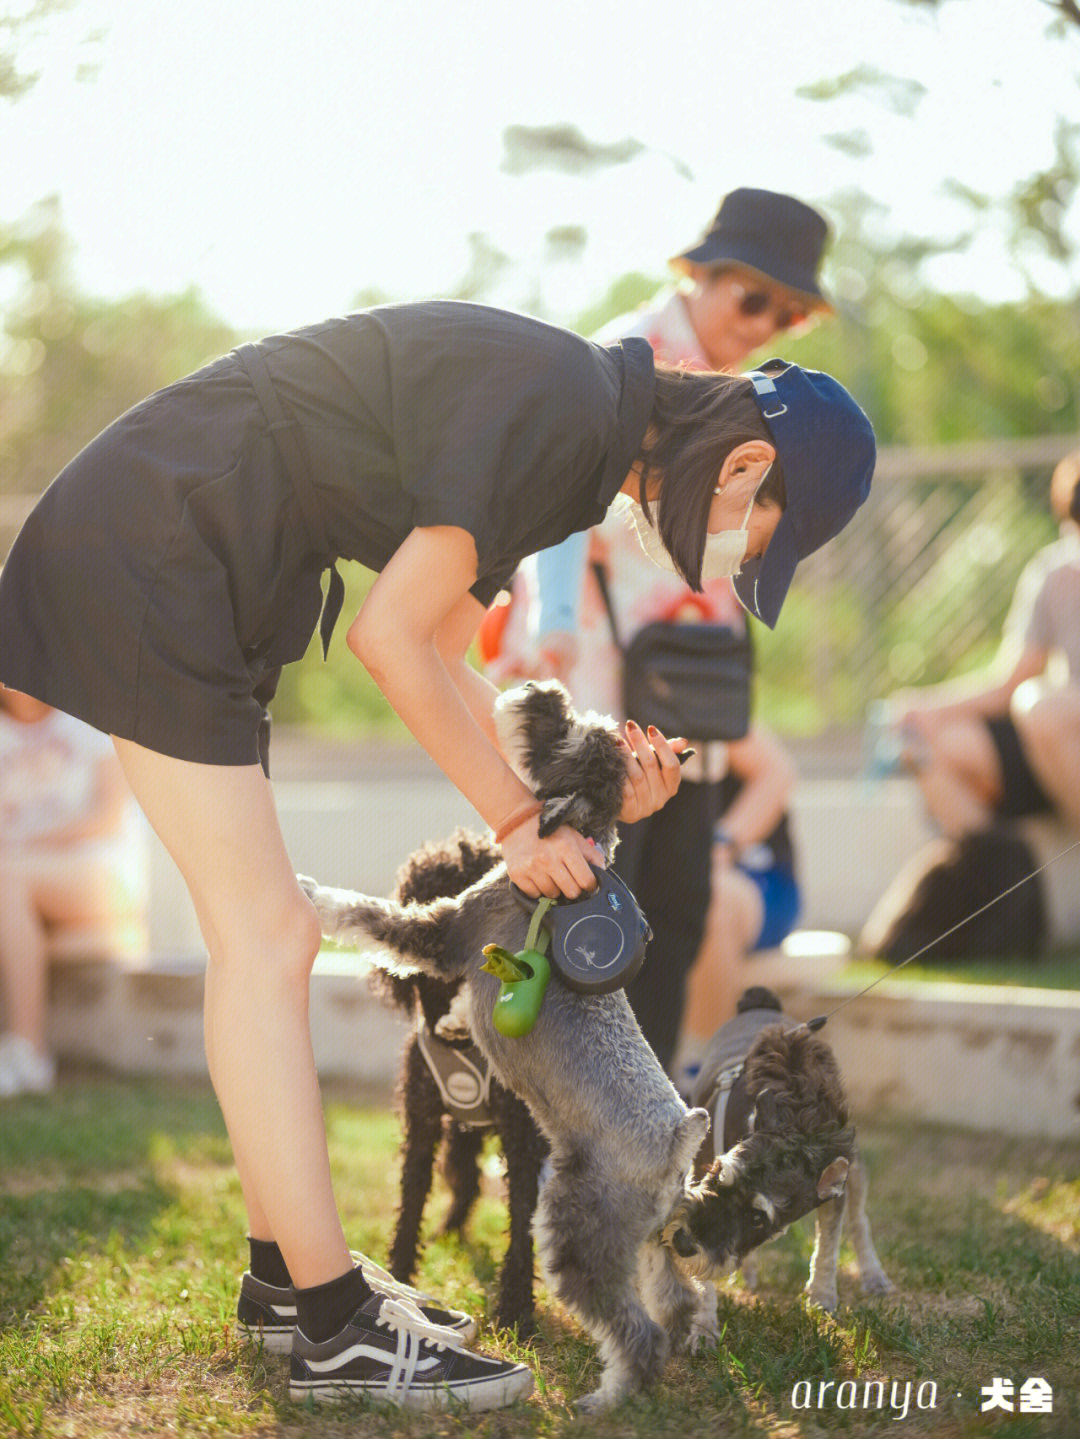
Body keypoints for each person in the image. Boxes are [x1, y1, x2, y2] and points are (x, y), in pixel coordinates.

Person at [0, 298, 874, 1410]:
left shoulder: (582, 431)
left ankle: (286, 1285)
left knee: (254, 934)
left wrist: (576, 795)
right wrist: (518, 824)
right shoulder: (565, 413)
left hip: (196, 556)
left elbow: (456, 665)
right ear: (745, 463)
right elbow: (390, 642)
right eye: (755, 535)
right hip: (160, 540)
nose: (720, 567)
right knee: (265, 933)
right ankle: (327, 1321)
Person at [497, 189, 833, 1073]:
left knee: (675, 906)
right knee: (589, 900)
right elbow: (562, 506)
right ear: (697, 273)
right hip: (603, 672)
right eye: (751, 297)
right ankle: (554, 1116)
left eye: (788, 310)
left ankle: (638, 1112)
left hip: (692, 685)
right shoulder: (629, 356)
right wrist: (558, 619)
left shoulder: (754, 393)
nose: (766, 323)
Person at [891, 448, 1080, 840]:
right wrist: (928, 709)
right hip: (1054, 749)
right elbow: (1011, 682)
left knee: (1041, 707)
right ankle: (996, 885)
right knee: (929, 745)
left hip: (1059, 725)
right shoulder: (1054, 569)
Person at [0, 687, 145, 1098]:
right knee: (11, 898)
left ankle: (27, 1049)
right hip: (24, 893)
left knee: (7, 881)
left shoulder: (89, 721)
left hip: (100, 879)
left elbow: (107, 817)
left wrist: (25, 842)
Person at [671, 722, 801, 1090]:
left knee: (709, 897)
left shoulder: (686, 690)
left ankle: (703, 1079)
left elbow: (777, 770)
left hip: (752, 877)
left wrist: (723, 842)